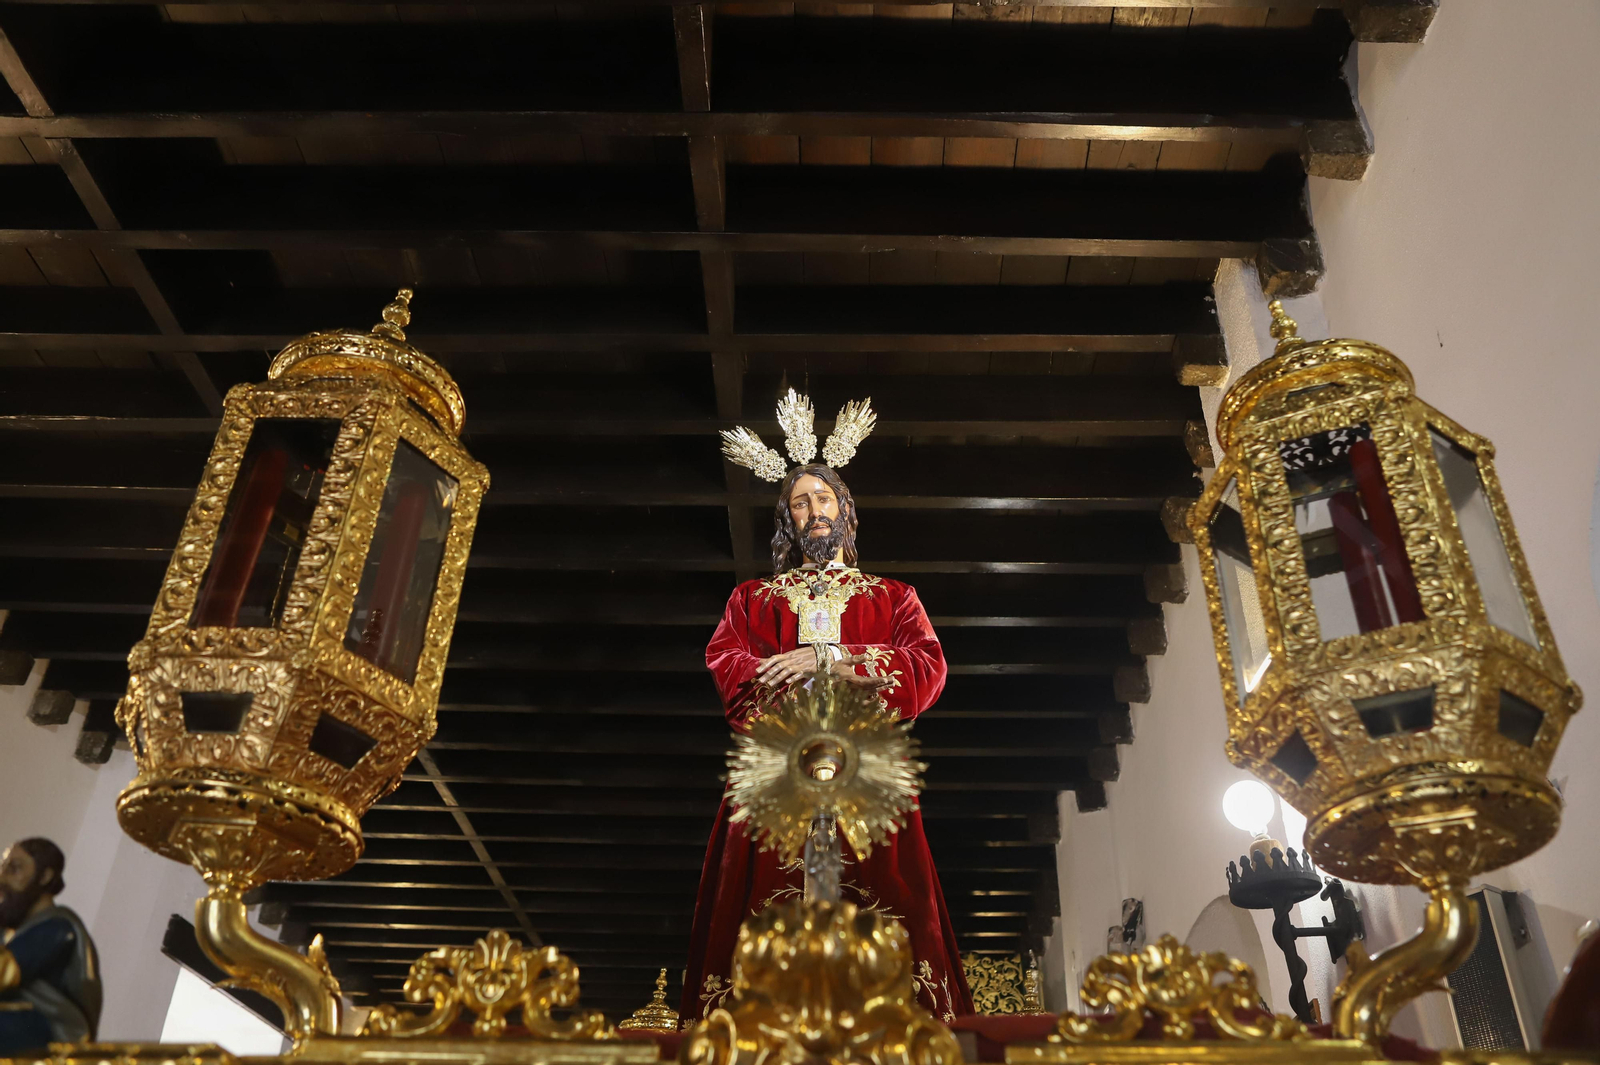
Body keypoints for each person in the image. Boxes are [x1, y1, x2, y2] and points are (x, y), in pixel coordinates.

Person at [682, 393, 973, 1024]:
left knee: (889, 897)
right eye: (800, 502)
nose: (814, 511)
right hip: (778, 771)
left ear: (845, 509)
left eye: (824, 498)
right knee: (762, 904)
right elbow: (727, 669)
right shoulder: (753, 599)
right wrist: (784, 681)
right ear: (787, 519)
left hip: (866, 768)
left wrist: (834, 657)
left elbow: (928, 668)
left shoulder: (893, 596)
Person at [0, 838, 102, 1053]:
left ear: (45, 876)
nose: (2, 878)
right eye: (3, 868)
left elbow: (5, 972)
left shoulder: (59, 927)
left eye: (14, 869)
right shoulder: (10, 929)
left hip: (54, 1031)